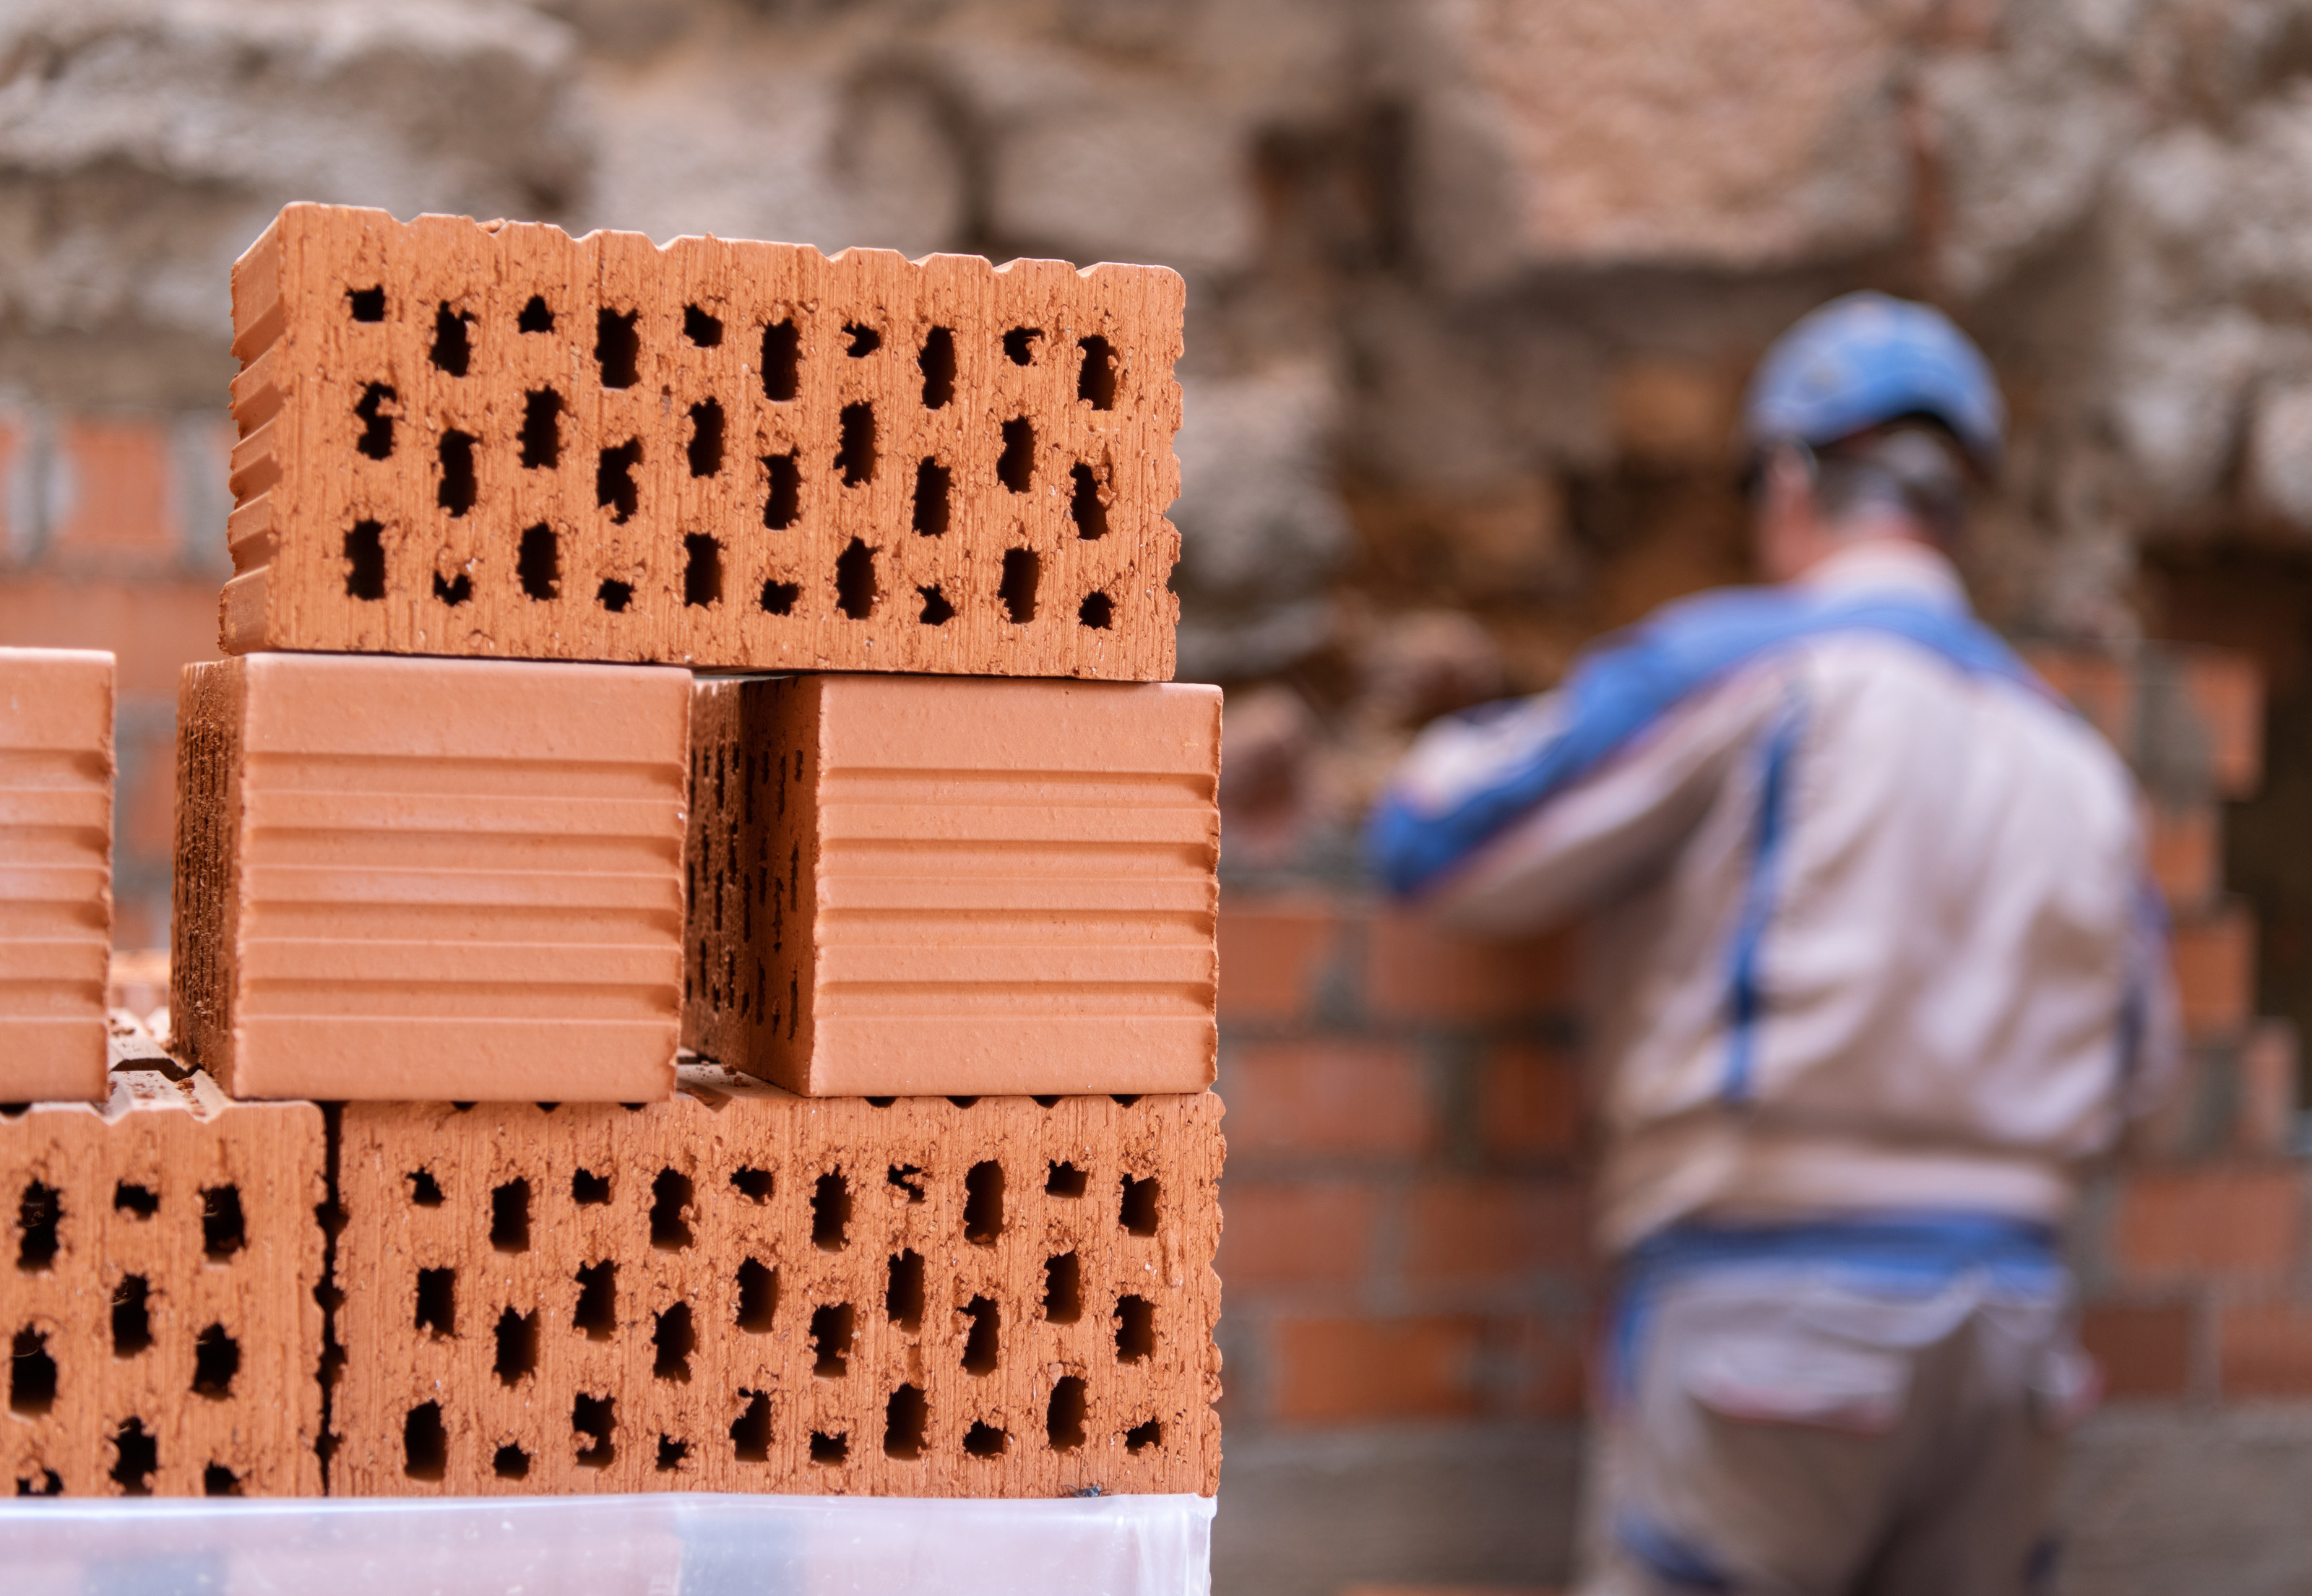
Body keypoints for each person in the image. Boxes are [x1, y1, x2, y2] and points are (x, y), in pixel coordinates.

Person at [1366, 293, 2178, 1595]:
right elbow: (2143, 1080)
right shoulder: (2077, 757)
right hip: (2013, 1334)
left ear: (1793, 479)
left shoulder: (1753, 667)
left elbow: (1445, 846)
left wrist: (1427, 740)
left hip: (1774, 1314)